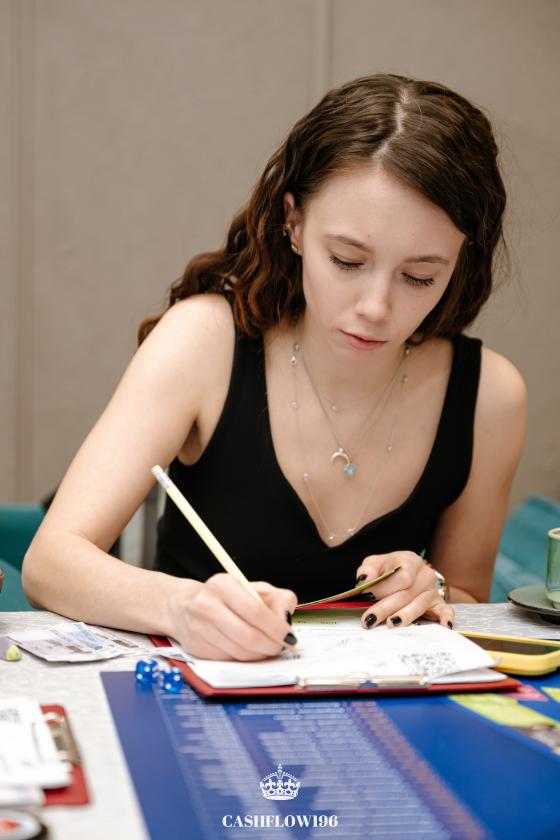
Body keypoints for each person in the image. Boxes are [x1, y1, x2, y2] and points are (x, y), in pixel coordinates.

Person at [23, 73, 527, 662]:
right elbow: (50, 562)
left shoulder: (489, 397)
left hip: (378, 705)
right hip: (196, 695)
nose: (376, 307)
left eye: (419, 276)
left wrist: (430, 589)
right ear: (294, 223)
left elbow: (467, 597)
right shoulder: (203, 343)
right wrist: (180, 607)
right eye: (346, 260)